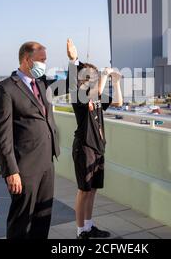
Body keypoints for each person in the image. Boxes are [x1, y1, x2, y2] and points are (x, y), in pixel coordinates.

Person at [0, 41, 75, 239]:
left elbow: (71, 85)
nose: (45, 64)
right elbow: (2, 134)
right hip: (24, 166)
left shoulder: (42, 83)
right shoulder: (6, 89)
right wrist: (11, 170)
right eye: (42, 60)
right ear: (27, 60)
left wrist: (73, 60)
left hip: (46, 162)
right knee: (22, 220)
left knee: (42, 218)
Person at [66, 39, 123, 239]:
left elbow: (118, 101)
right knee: (84, 190)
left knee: (93, 190)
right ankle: (81, 231)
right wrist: (74, 60)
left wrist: (115, 82)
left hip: (98, 148)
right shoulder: (80, 98)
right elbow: (75, 84)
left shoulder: (96, 98)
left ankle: (89, 226)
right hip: (84, 147)